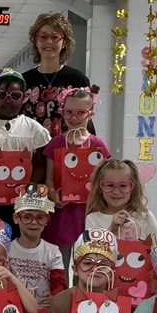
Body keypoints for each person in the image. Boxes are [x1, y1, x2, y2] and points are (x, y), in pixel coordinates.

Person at [0, 67, 51, 231]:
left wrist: (29, 193)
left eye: (15, 96)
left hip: (23, 204)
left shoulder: (34, 129)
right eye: (2, 95)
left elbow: (40, 165)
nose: (8, 100)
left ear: (23, 97)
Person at [44, 87, 111, 274]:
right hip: (62, 213)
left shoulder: (97, 145)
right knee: (60, 264)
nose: (74, 118)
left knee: (88, 260)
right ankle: (63, 298)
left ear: (91, 114)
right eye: (69, 112)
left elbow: (105, 179)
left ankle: (84, 299)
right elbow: (49, 178)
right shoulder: (55, 144)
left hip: (89, 212)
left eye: (80, 113)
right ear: (62, 112)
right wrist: (52, 194)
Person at [21, 12, 93, 137]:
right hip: (31, 151)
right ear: (36, 41)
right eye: (43, 37)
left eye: (55, 37)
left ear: (64, 42)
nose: (49, 42)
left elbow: (87, 119)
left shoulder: (77, 78)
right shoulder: (25, 80)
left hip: (67, 151)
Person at [7, 184, 67, 306]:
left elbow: (59, 283)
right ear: (16, 218)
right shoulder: (6, 250)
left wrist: (54, 296)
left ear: (47, 220)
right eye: (27, 217)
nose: (33, 222)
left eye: (40, 217)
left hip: (44, 312)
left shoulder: (53, 251)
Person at [85, 157, 157, 241]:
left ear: (133, 188)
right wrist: (111, 230)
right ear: (100, 188)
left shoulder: (145, 217)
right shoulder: (93, 219)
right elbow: (90, 251)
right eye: (110, 185)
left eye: (123, 186)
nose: (116, 191)